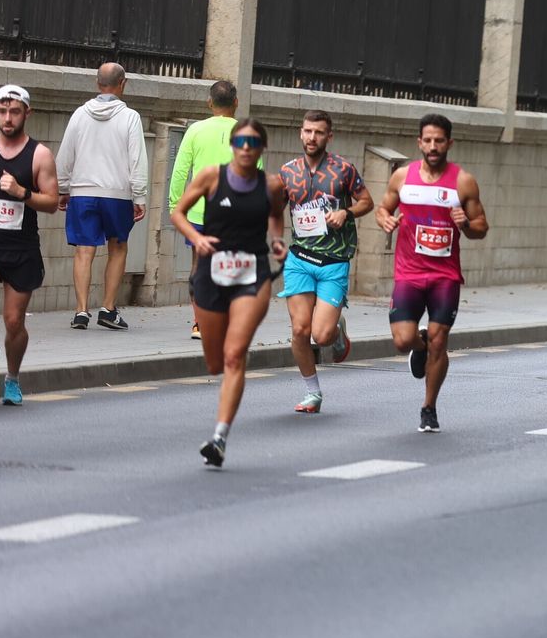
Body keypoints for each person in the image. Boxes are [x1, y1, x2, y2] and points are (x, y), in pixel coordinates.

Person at [170, 118, 287, 467]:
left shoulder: (272, 186)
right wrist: (196, 238)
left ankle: (219, 436)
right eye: (241, 142)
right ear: (233, 145)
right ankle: (221, 410)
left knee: (235, 354)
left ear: (262, 148)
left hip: (253, 274)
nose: (247, 148)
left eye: (253, 142)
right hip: (211, 272)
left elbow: (277, 218)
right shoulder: (210, 177)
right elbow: (177, 213)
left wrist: (278, 240)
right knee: (214, 362)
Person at [375, 113, 490, 431]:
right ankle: (419, 346)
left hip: (445, 277)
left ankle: (429, 408)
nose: (433, 145)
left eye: (439, 140)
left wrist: (465, 223)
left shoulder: (462, 181)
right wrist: (384, 218)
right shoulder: (402, 176)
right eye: (427, 140)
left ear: (449, 143)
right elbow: (383, 207)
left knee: (441, 341)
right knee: (403, 340)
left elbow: (481, 226)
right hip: (409, 274)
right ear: (419, 142)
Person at [278, 111, 374, 414]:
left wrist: (347, 213)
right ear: (300, 133)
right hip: (299, 260)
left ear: (328, 136)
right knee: (299, 330)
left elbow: (366, 201)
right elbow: (274, 208)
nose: (311, 138)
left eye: (318, 132)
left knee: (321, 335)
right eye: (307, 131)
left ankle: (337, 331)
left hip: (333, 261)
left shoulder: (343, 170)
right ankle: (312, 393)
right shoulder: (287, 172)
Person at [0, 85, 60, 407]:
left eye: (14, 111)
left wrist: (22, 192)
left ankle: (12, 378)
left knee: (13, 321)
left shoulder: (40, 155)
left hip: (22, 249)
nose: (7, 118)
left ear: (27, 113)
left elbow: (52, 202)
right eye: (2, 111)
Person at [55, 62, 149, 331]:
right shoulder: (130, 117)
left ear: (98, 84)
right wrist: (139, 195)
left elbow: (65, 155)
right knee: (118, 247)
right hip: (118, 194)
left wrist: (63, 189)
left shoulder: (79, 115)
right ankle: (108, 309)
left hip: (83, 192)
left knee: (84, 251)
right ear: (123, 84)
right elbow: (137, 158)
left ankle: (81, 311)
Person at [167, 80, 237, 340]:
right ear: (236, 103)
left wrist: (175, 205)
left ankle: (199, 323)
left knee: (199, 265)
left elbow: (179, 171)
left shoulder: (195, 130)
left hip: (198, 213)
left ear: (209, 103)